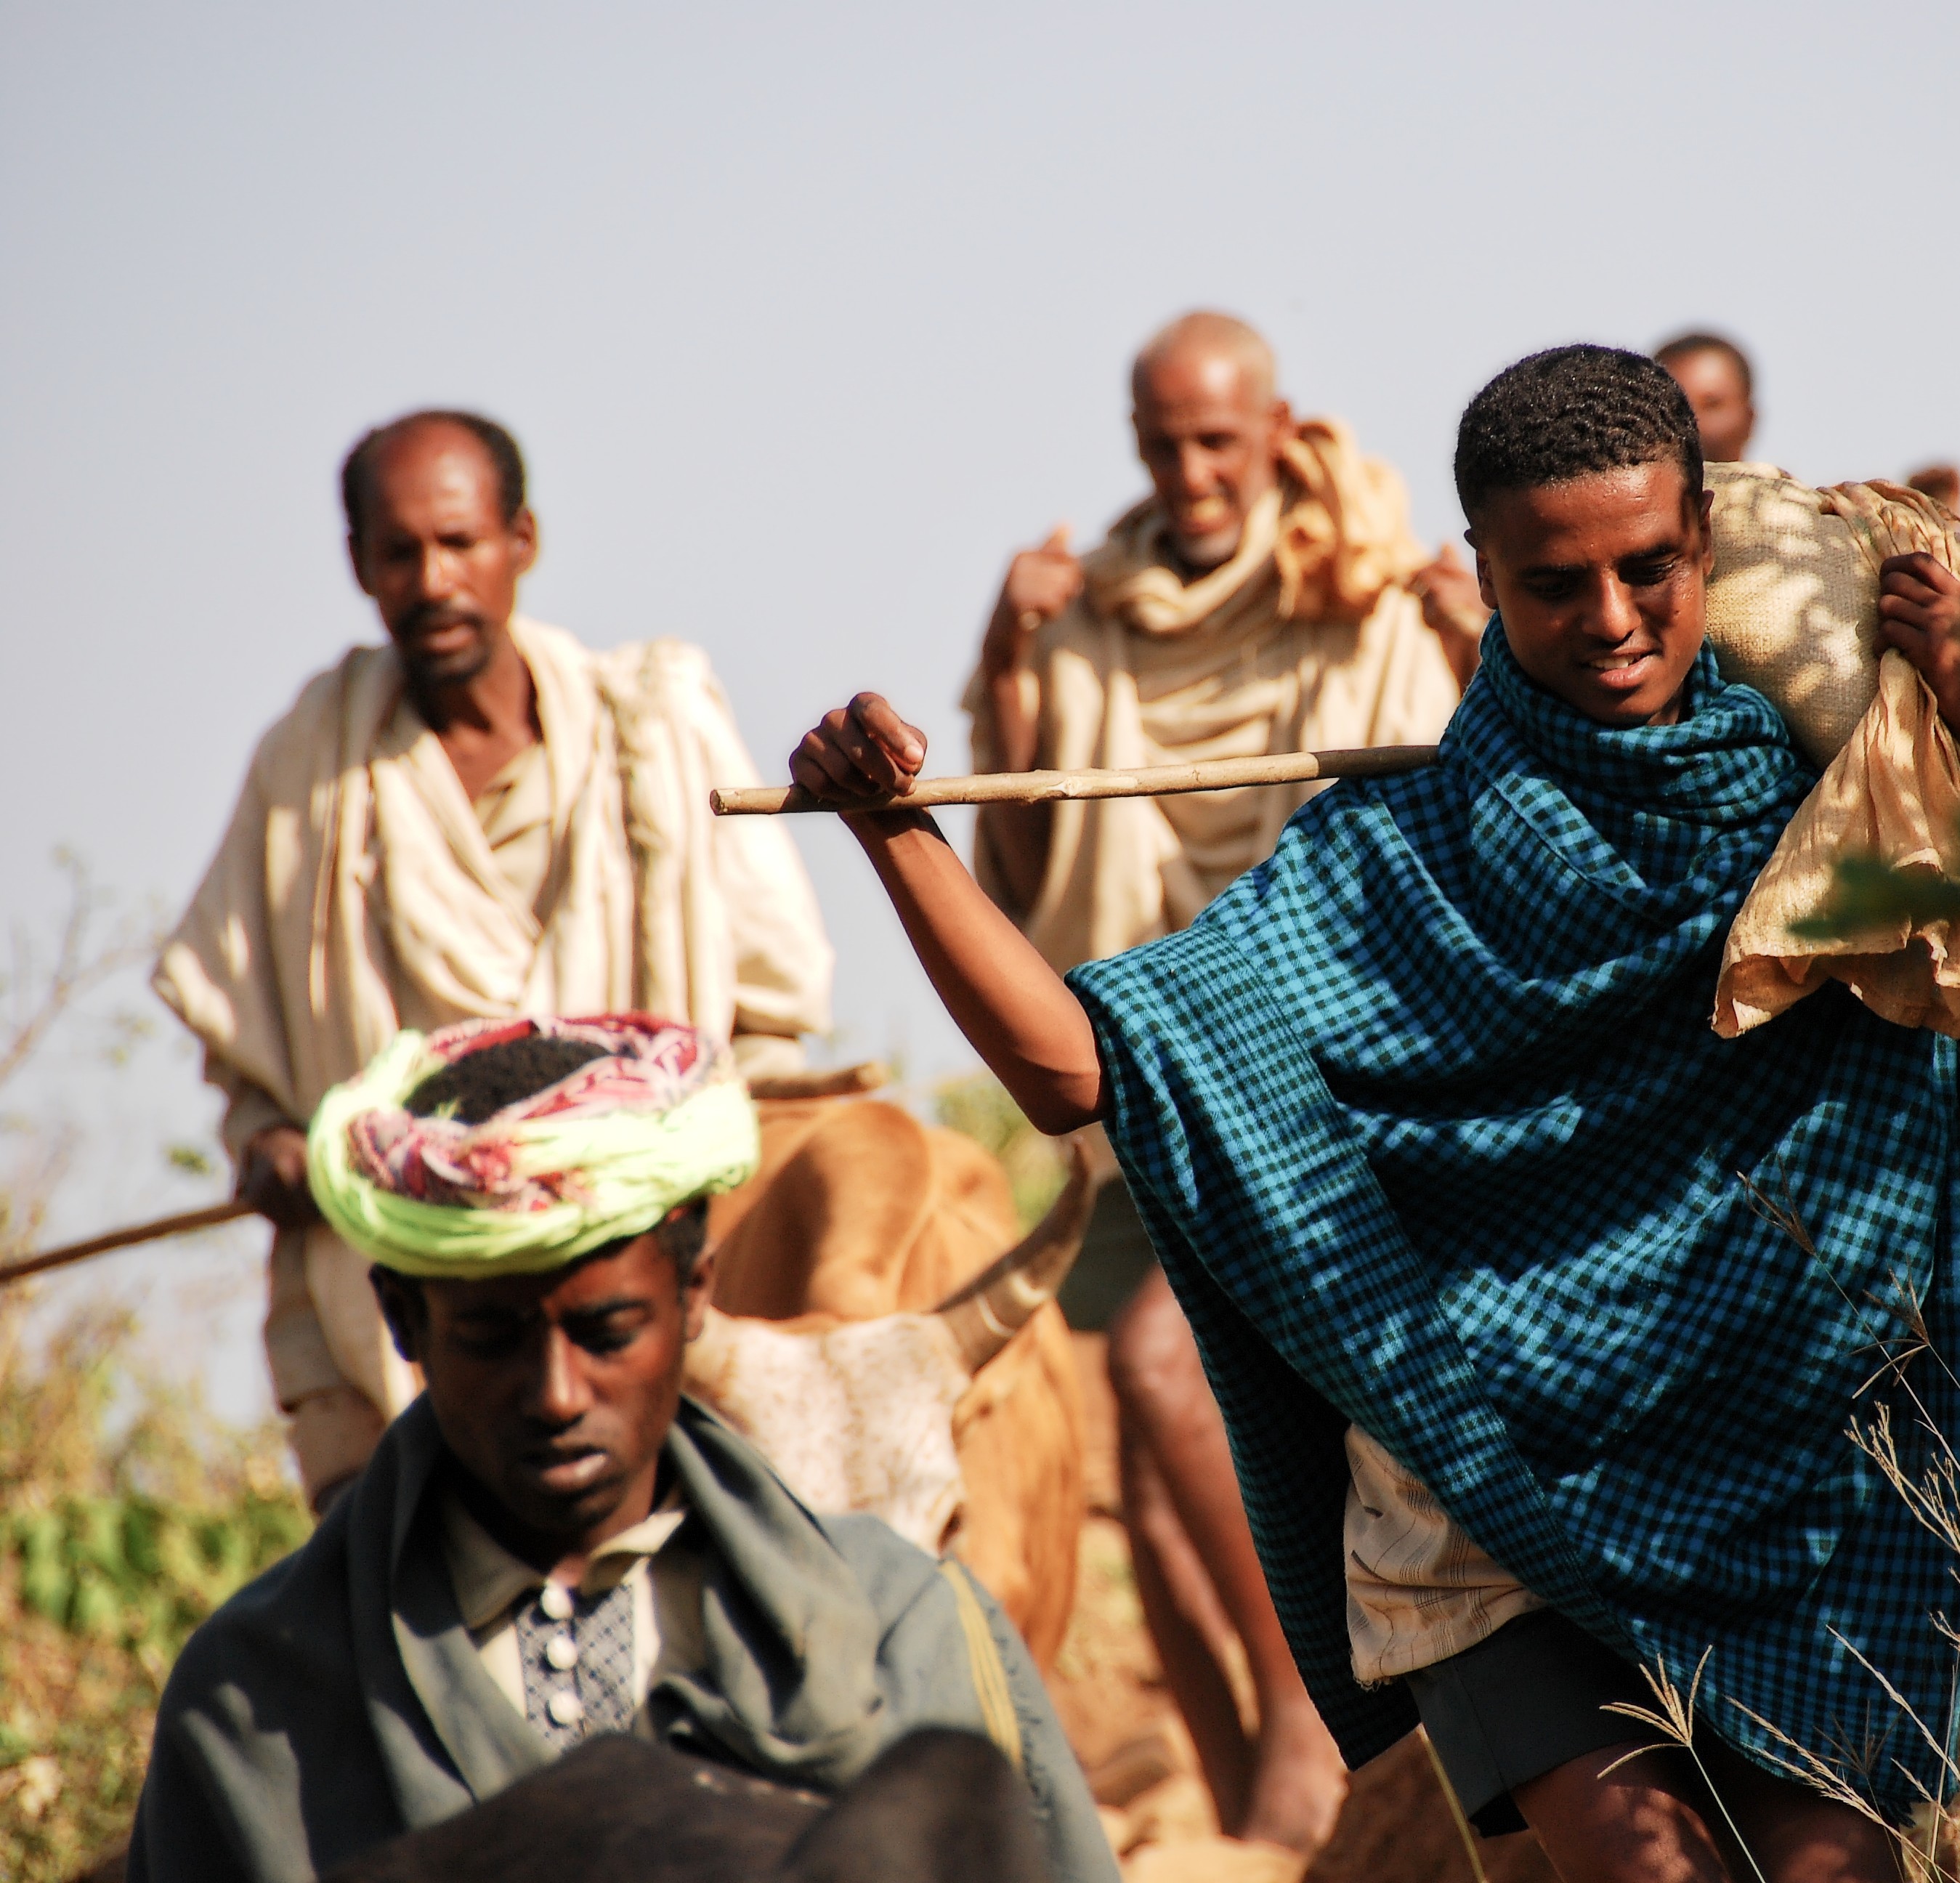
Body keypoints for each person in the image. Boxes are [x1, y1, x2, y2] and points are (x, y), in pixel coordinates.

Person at [785, 346, 1960, 1882]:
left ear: (1704, 544)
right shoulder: (1384, 864)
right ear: (1481, 581)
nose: (1614, 621)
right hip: (1492, 1505)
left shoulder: (1841, 823)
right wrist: (897, 837)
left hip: (1800, 1483)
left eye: (1650, 569)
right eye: (1556, 584)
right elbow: (1077, 1070)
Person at [126, 1016, 1117, 1883]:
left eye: (607, 1332)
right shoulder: (254, 1707)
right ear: (400, 1318)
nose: (558, 1395)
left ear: (694, 1298)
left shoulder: (913, 1624)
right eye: (491, 1337)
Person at [963, 310, 1478, 1853]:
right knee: (1140, 1431)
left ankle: (1318, 1760)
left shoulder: (1372, 592)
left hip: (1325, 1084)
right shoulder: (1081, 620)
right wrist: (1002, 662)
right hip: (1135, 1077)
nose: (1189, 475)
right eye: (1161, 445)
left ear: (1273, 431)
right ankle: (1245, 1796)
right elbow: (1016, 866)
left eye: (1216, 443)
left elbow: (1453, 811)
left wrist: (1470, 645)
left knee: (1163, 1376)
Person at [152, 411, 832, 1505]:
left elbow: (769, 1012)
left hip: (644, 1286)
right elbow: (249, 1044)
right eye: (399, 553)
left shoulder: (650, 731)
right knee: (390, 1620)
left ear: (521, 540)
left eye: (459, 544)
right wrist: (270, 1139)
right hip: (413, 1302)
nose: (432, 581)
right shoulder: (310, 770)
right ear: (360, 565)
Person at [1653, 331, 1758, 464]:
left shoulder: (1781, 484)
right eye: (1674, 407)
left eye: (1711, 405)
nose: (1691, 422)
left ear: (1749, 419)